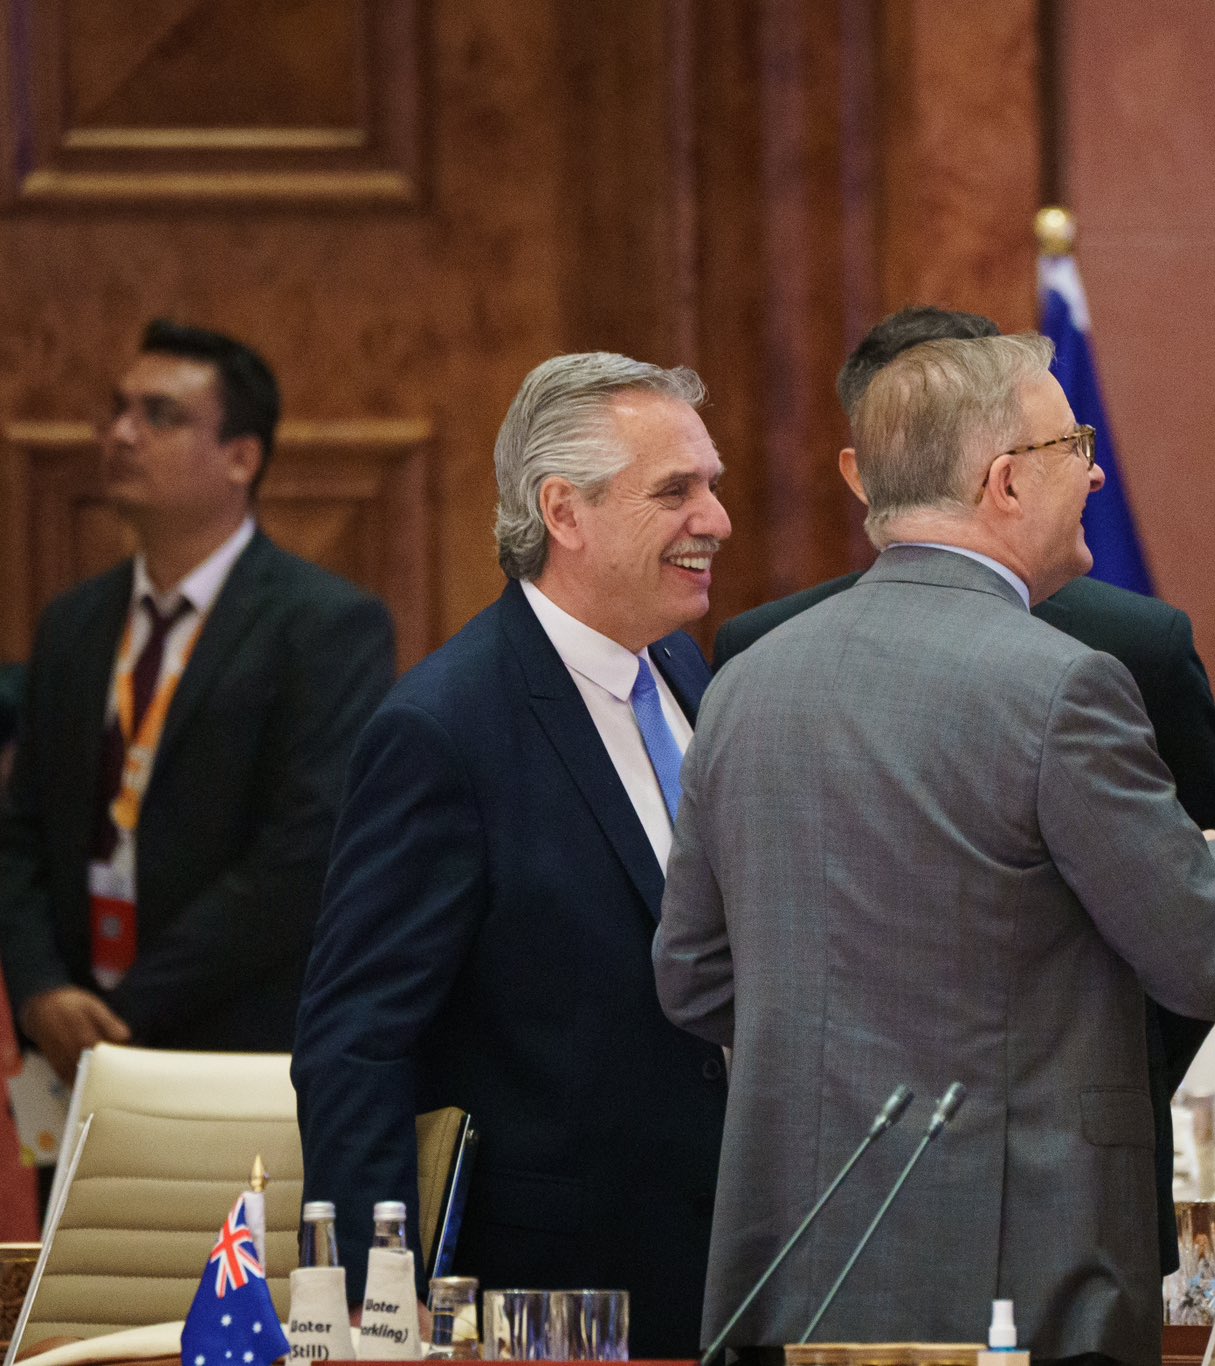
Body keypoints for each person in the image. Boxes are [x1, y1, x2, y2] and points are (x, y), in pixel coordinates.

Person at [655, 334, 1215, 1365]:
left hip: (791, 1258)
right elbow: (1209, 955)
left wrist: (844, 1043)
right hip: (1020, 1279)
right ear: (1006, 481)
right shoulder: (1062, 686)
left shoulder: (743, 685)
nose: (1097, 469)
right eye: (1075, 444)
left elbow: (690, 976)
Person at [294, 353, 731, 1356]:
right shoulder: (444, 729)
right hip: (553, 1289)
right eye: (677, 491)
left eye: (711, 486)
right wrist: (378, 1297)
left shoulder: (683, 666)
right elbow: (356, 1038)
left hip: (726, 1259)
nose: (716, 519)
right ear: (563, 511)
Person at [0, 320, 392, 1076]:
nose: (120, 435)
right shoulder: (74, 622)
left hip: (234, 1046)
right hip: (68, 1045)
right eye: (117, 410)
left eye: (160, 416)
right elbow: (19, 832)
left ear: (241, 457)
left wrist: (125, 1011)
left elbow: (303, 853)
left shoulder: (327, 626)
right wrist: (43, 989)